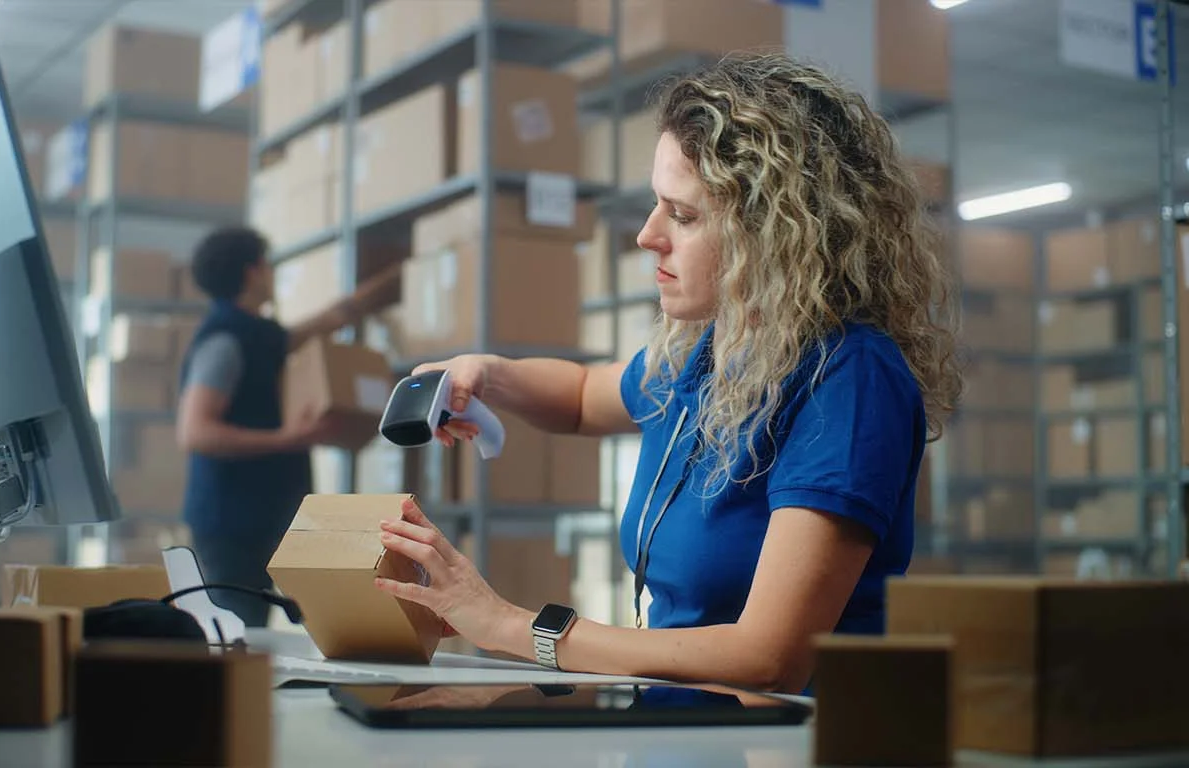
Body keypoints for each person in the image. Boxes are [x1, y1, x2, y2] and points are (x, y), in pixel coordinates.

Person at [372, 53, 961, 694]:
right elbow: (581, 396)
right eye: (657, 207)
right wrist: (488, 375)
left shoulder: (848, 378)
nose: (647, 236)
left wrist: (510, 626)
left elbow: (770, 658)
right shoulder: (712, 350)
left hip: (795, 739)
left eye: (682, 215)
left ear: (773, 233)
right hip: (692, 726)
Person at [176, 227, 350, 628]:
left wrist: (362, 302)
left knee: (325, 621)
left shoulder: (258, 334)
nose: (272, 273)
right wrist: (289, 438)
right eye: (268, 264)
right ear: (253, 271)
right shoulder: (224, 342)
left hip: (273, 514)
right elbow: (195, 432)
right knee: (241, 639)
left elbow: (305, 331)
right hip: (231, 525)